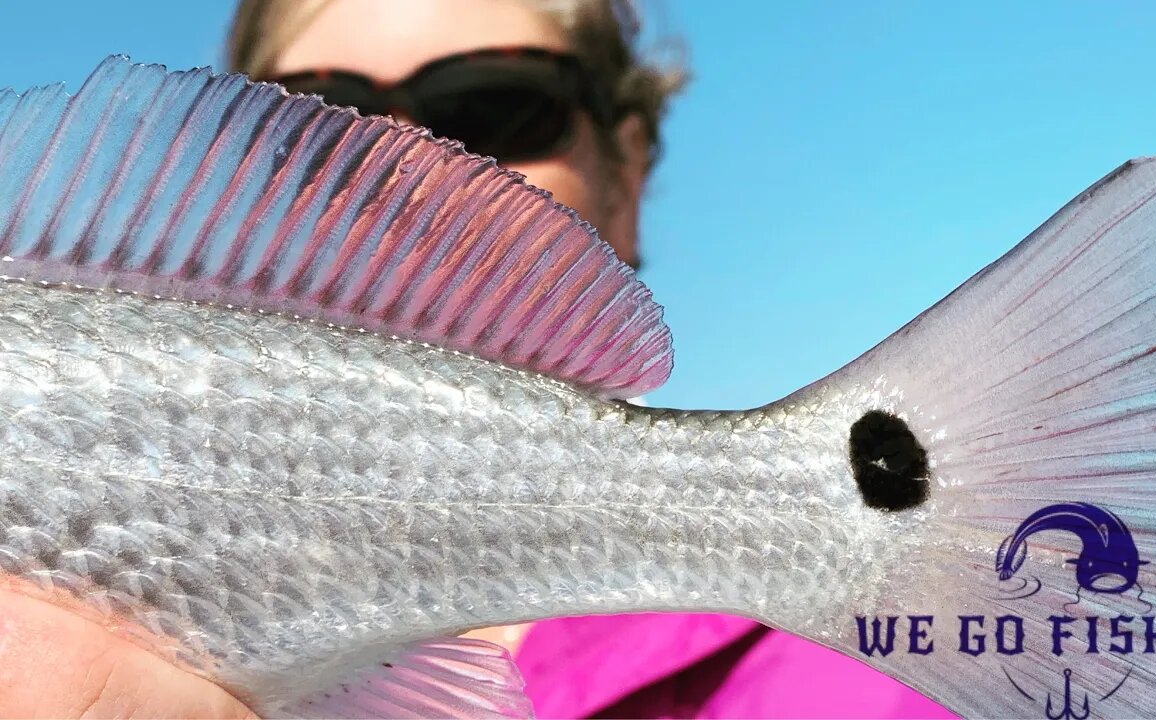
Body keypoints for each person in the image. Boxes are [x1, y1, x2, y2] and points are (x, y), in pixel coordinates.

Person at [230, 1, 952, 718]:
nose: (404, 173)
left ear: (626, 174)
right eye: (315, 127)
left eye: (496, 108)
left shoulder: (906, 664)